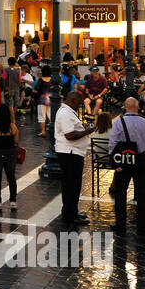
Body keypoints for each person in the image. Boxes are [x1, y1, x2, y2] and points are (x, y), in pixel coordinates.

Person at [108, 98, 145, 235]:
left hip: (123, 160)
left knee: (120, 193)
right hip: (141, 159)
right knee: (142, 194)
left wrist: (115, 162)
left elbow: (113, 143)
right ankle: (142, 227)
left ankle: (120, 225)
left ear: (125, 106)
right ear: (137, 107)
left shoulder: (119, 121)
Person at [53, 90, 92, 227]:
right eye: (79, 104)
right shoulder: (64, 113)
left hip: (74, 153)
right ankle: (69, 215)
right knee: (71, 186)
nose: (79, 106)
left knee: (74, 185)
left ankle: (73, 211)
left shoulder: (68, 112)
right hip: (69, 153)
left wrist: (83, 128)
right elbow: (69, 135)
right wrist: (87, 131)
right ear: (72, 101)